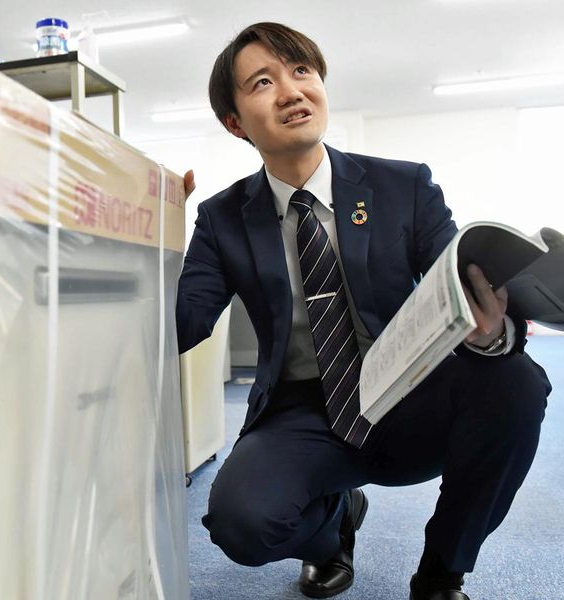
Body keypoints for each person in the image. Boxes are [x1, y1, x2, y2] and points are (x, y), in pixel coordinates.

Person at [176, 22, 552, 600]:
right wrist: (152, 230)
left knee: (517, 382)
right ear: (235, 123)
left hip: (410, 393)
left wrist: (488, 333)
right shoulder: (221, 218)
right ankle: (336, 526)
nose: (292, 91)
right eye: (263, 82)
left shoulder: (403, 185)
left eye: (302, 71)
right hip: (301, 410)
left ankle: (442, 573)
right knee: (239, 524)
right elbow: (185, 324)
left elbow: (456, 279)